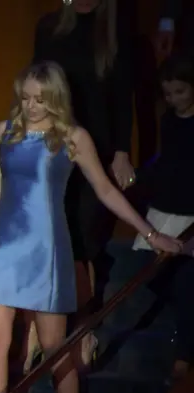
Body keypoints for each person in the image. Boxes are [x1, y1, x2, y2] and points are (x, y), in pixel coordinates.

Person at [0, 61, 182, 393]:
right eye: (25, 98)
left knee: (55, 351)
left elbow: (106, 190)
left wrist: (151, 233)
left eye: (40, 99)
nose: (30, 106)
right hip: (1, 249)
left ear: (56, 99)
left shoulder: (73, 137)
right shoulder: (5, 131)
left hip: (45, 249)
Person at [29, 0, 135, 366]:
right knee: (53, 241)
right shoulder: (49, 27)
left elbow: (123, 96)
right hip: (55, 148)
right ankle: (41, 329)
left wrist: (122, 150)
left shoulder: (116, 32)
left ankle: (83, 330)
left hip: (97, 148)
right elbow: (36, 86)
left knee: (83, 246)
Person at [131, 54, 194, 386]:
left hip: (190, 212)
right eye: (168, 93)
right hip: (165, 205)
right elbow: (166, 159)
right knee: (152, 272)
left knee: (185, 283)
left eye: (180, 92)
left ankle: (184, 353)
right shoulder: (169, 120)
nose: (174, 100)